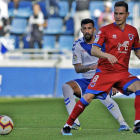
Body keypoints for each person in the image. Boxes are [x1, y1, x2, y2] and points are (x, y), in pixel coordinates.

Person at [61, 1, 140, 135]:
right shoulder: (105, 30)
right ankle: (68, 124)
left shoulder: (133, 31)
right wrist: (107, 55)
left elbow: (137, 51)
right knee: (87, 97)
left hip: (122, 73)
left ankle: (137, 123)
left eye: (121, 14)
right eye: (116, 13)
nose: (118, 16)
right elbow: (94, 51)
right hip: (104, 72)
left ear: (127, 14)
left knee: (139, 87)